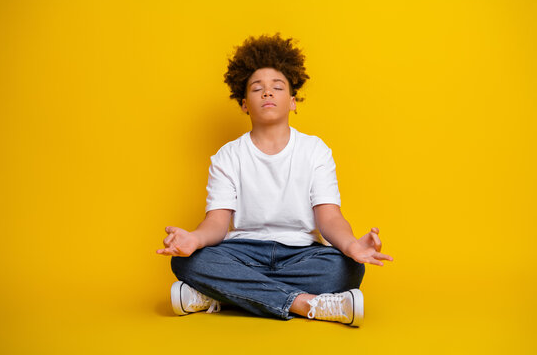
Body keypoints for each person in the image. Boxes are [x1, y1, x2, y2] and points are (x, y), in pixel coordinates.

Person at [156, 33, 393, 327]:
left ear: (293, 101)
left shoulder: (315, 151)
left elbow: (330, 218)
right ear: (244, 104)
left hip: (302, 254)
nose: (267, 93)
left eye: (277, 87)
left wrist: (351, 246)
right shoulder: (227, 156)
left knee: (347, 268)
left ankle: (223, 295)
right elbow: (216, 224)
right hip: (243, 253)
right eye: (257, 89)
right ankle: (306, 303)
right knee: (186, 261)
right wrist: (194, 239)